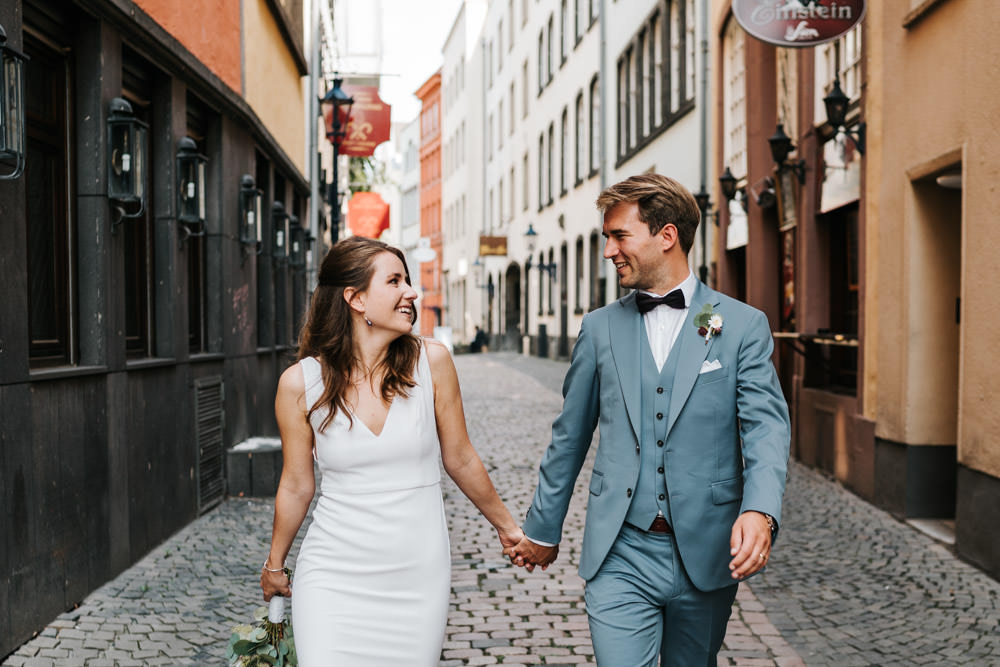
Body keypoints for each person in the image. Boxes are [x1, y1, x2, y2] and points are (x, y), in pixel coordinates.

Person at [506, 174, 790, 666]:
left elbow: (765, 428)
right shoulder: (599, 329)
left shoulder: (741, 325)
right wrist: (543, 529)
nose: (608, 250)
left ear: (667, 235)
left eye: (619, 236)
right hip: (620, 551)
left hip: (705, 549)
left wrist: (760, 510)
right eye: (606, 237)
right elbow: (570, 436)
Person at [260, 236, 523, 666]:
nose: (411, 292)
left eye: (408, 281)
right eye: (395, 281)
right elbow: (295, 485)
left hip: (416, 575)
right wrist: (274, 565)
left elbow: (459, 457)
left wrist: (507, 527)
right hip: (333, 572)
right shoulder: (300, 383)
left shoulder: (431, 363)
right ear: (356, 298)